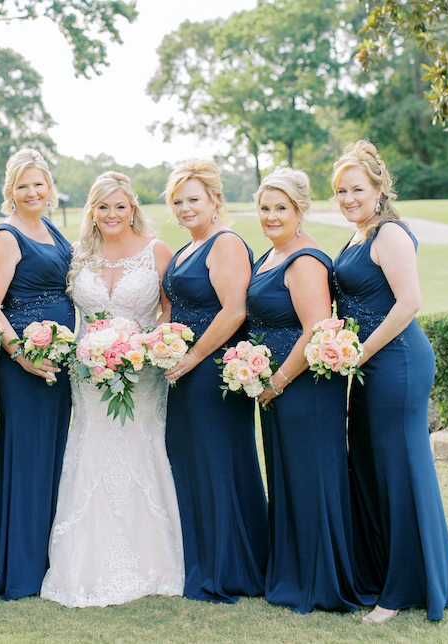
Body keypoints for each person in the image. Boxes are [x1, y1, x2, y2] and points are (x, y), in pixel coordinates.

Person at [40, 171, 184, 607]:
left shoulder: (156, 251)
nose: (112, 214)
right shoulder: (79, 254)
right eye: (103, 206)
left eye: (120, 206)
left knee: (141, 449)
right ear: (92, 211)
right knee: (91, 452)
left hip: (142, 377)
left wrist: (142, 347)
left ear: (133, 208)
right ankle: (84, 562)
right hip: (87, 376)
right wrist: (93, 349)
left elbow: (170, 312)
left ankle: (154, 560)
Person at [332, 140, 448, 622]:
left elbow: (408, 303)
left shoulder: (390, 235)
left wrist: (359, 352)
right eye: (341, 190)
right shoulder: (358, 235)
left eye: (357, 189)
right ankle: (385, 572)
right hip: (366, 366)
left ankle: (402, 589)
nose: (347, 198)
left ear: (379, 189)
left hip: (397, 362)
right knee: (371, 465)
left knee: (399, 468)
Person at [247, 168, 372, 614]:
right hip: (277, 388)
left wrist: (278, 380)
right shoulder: (271, 255)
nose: (271, 216)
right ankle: (294, 572)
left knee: (310, 478)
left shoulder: (304, 260)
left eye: (281, 208)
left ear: (300, 210)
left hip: (303, 388)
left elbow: (316, 330)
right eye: (265, 208)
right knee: (289, 478)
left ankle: (321, 582)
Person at [161, 159, 268, 603]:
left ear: (214, 201)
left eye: (194, 199)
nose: (186, 208)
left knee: (218, 462)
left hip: (213, 371)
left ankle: (232, 568)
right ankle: (202, 558)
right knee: (192, 463)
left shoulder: (224, 243)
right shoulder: (188, 246)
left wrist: (193, 358)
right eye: (178, 201)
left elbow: (234, 311)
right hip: (184, 369)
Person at [0, 148, 75, 600]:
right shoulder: (6, 236)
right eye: (23, 186)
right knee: (28, 455)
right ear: (10, 192)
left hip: (58, 360)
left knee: (55, 455)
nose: (32, 192)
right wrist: (19, 353)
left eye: (39, 184)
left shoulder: (53, 230)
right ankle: (20, 565)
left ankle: (48, 556)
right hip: (24, 364)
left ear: (49, 188)